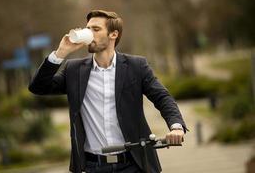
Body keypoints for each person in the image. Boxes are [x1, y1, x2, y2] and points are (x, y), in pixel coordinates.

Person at [28, 10, 188, 173]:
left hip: (135, 163)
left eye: (96, 29)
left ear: (113, 34)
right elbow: (38, 87)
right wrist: (60, 53)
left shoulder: (136, 66)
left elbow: (162, 97)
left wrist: (176, 127)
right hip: (93, 166)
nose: (89, 33)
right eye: (87, 28)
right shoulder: (74, 70)